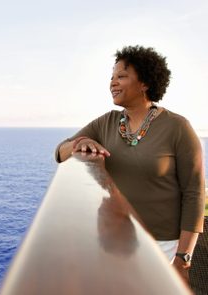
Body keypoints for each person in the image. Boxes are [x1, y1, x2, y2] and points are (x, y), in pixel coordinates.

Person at [55, 45, 205, 283]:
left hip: (161, 245)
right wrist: (80, 142)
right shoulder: (107, 122)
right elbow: (60, 152)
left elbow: (194, 194)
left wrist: (183, 258)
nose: (113, 83)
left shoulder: (177, 127)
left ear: (145, 83)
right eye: (111, 77)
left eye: (121, 76)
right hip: (112, 239)